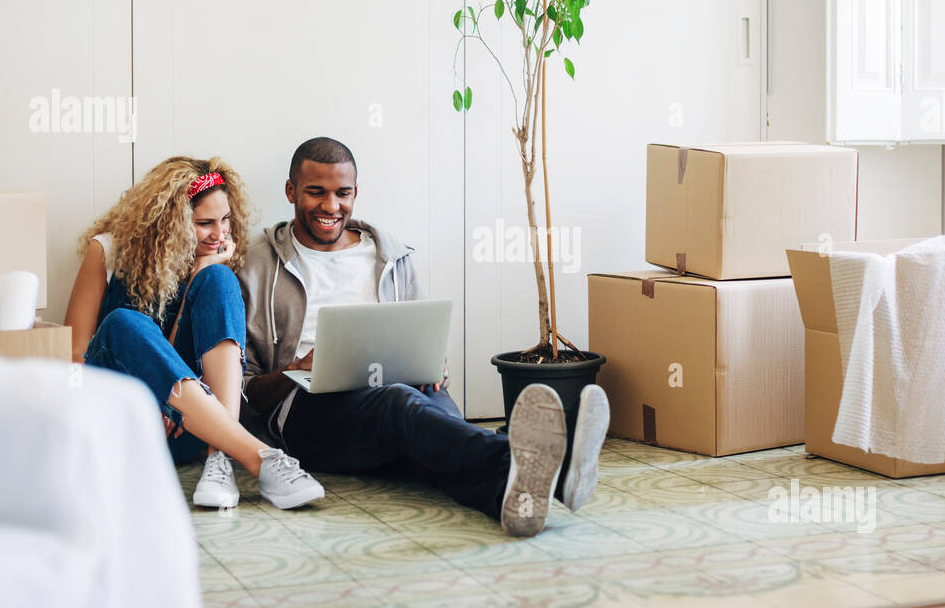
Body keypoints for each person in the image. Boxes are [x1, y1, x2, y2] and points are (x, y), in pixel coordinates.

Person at [236, 137, 611, 537]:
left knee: (430, 441)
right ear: (291, 191)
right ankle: (547, 460)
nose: (331, 206)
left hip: (403, 392)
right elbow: (245, 393)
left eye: (342, 193)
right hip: (307, 412)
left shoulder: (390, 255)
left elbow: (420, 332)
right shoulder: (255, 263)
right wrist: (297, 368)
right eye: (316, 192)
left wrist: (430, 365)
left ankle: (517, 499)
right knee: (402, 406)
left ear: (355, 193)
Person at [64, 155, 324, 511]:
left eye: (225, 220)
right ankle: (258, 457)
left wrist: (202, 269)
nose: (220, 235)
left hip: (187, 428)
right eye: (204, 223)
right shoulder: (107, 250)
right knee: (123, 322)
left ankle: (220, 458)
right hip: (119, 423)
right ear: (169, 223)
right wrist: (159, 393)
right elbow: (75, 356)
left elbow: (188, 355)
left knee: (219, 279)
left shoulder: (211, 259)